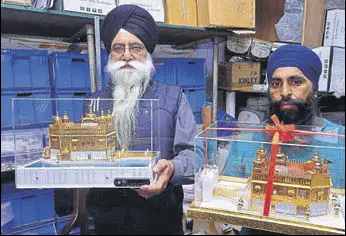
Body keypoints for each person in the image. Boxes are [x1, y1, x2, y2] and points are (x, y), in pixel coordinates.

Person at [83, 5, 197, 235]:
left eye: (136, 47)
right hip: (108, 220)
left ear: (148, 52)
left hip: (160, 217)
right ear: (110, 54)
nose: (127, 55)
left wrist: (172, 169)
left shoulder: (174, 98)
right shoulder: (93, 103)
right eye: (118, 48)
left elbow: (194, 155)